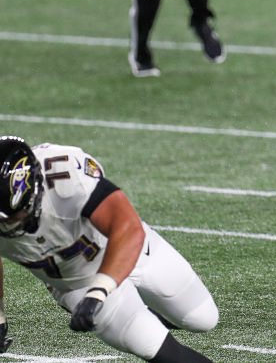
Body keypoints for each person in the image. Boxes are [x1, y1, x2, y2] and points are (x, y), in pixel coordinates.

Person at [0, 136, 218, 361]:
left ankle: (141, 307)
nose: (8, 226)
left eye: (14, 215)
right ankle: (136, 315)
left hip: (126, 249)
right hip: (74, 283)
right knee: (157, 348)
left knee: (203, 318)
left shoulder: (64, 173)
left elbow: (127, 227)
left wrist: (100, 289)